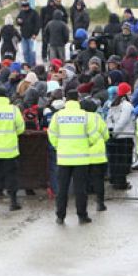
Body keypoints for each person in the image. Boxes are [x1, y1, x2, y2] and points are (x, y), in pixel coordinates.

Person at [48, 89, 101, 224]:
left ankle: (60, 216)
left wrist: (58, 146)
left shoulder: (58, 116)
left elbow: (51, 134)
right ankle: (82, 215)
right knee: (80, 189)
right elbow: (95, 135)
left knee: (62, 188)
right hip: (81, 158)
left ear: (66, 99)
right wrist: (86, 144)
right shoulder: (85, 116)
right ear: (78, 99)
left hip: (63, 157)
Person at [105, 82, 135, 190]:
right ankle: (121, 182)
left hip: (114, 136)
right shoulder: (127, 105)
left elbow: (108, 118)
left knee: (115, 160)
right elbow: (124, 120)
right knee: (123, 162)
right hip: (125, 136)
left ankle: (115, 180)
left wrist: (112, 131)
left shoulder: (113, 104)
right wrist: (117, 131)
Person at [16, 1, 41, 66]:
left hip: (32, 36)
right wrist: (19, 21)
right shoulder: (21, 12)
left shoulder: (34, 13)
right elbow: (18, 20)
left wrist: (35, 34)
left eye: (25, 7)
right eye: (23, 7)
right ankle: (27, 65)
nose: (24, 8)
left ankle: (32, 65)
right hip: (23, 35)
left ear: (28, 6)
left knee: (32, 51)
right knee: (25, 51)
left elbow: (38, 24)